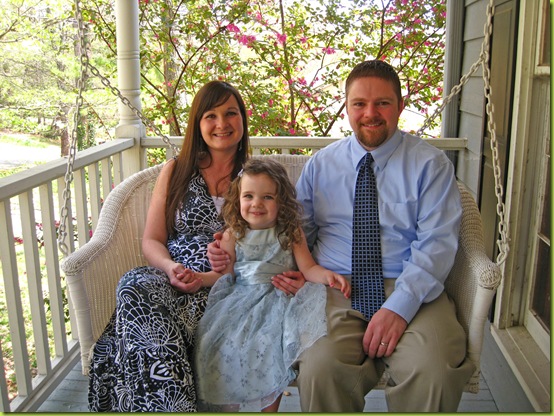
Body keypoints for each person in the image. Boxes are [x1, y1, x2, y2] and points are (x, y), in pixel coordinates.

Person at [208, 60, 476, 412]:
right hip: (334, 288)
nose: (370, 113)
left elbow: (436, 245)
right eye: (359, 104)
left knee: (434, 371)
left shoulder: (430, 165)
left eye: (382, 103)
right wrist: (292, 271)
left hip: (413, 287)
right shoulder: (321, 165)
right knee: (320, 368)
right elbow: (297, 231)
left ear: (400, 106)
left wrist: (399, 307)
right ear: (346, 107)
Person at [87, 80, 251, 412]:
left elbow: (266, 247)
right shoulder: (176, 170)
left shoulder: (255, 176)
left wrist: (209, 275)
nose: (221, 123)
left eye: (230, 113)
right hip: (172, 274)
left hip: (224, 284)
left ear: (243, 120)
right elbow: (152, 240)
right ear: (198, 124)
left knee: (152, 324)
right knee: (133, 285)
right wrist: (171, 267)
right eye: (211, 115)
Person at [188, 158, 350, 412]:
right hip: (240, 301)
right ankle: (228, 406)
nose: (256, 204)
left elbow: (308, 269)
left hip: (280, 301)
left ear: (281, 201)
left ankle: (269, 410)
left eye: (267, 197)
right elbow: (222, 275)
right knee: (217, 342)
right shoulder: (232, 234)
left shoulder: (290, 232)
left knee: (269, 343)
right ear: (237, 199)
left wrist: (328, 276)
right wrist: (197, 278)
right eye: (248, 196)